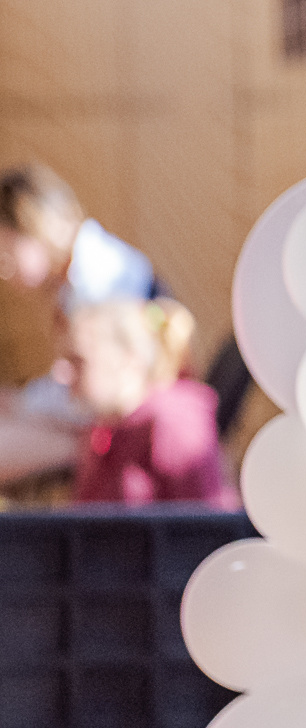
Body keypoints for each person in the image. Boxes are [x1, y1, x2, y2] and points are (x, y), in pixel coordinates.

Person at [1, 163, 164, 485]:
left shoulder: (101, 279)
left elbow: (94, 399)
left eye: (5, 254)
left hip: (125, 430)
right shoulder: (79, 276)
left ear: (34, 230)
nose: (4, 272)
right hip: (98, 418)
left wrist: (20, 404)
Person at [64, 299, 237, 508]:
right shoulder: (105, 429)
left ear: (128, 359)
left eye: (78, 360)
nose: (63, 374)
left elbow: (205, 528)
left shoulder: (173, 422)